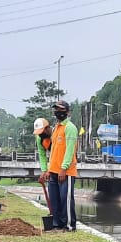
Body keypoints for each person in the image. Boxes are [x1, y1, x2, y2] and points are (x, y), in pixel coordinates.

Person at [38, 99, 78, 232]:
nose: (58, 112)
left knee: (66, 199)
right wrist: (48, 170)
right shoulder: (55, 128)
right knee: (55, 200)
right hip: (53, 171)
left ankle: (69, 226)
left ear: (67, 112)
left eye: (61, 109)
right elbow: (53, 150)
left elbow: (70, 150)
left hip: (66, 171)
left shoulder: (70, 128)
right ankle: (57, 224)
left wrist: (63, 168)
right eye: (56, 109)